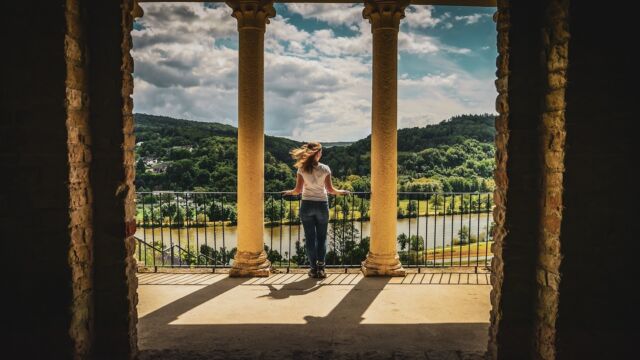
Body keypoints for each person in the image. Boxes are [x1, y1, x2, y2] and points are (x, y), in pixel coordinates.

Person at [282, 142, 350, 278]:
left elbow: (297, 191)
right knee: (321, 238)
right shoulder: (325, 169)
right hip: (322, 205)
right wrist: (342, 191)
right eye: (321, 152)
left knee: (310, 239)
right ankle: (321, 268)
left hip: (306, 205)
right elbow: (331, 190)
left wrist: (289, 192)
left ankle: (313, 269)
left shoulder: (301, 169)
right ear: (318, 153)